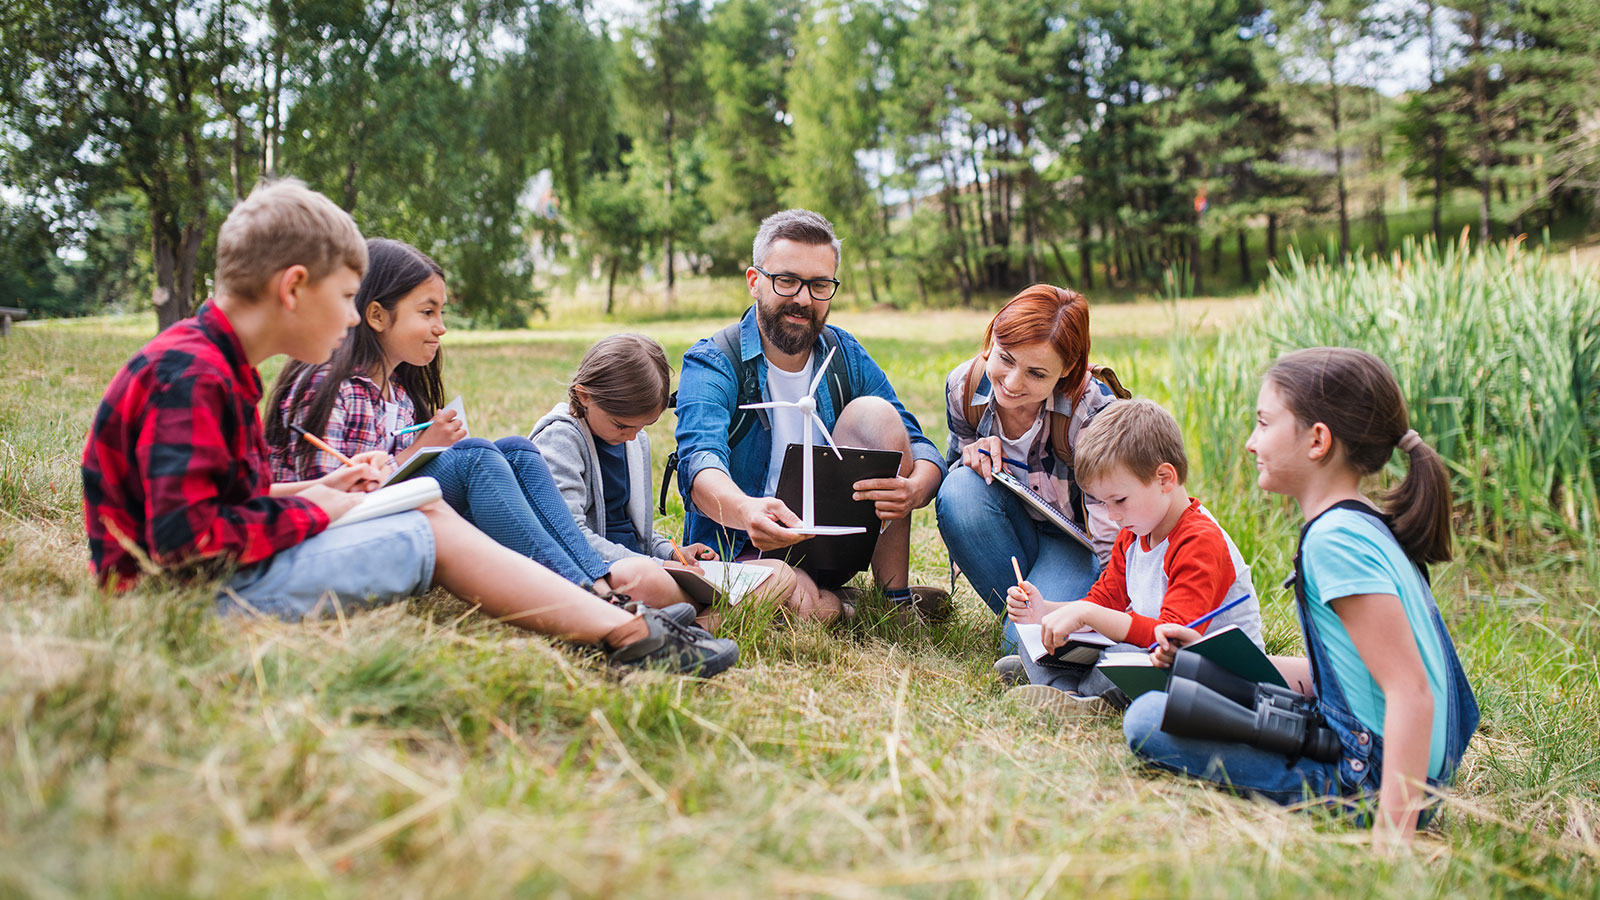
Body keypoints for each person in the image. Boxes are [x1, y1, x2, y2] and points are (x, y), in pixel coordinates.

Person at [81, 179, 735, 676]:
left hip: (208, 581)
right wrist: (324, 508)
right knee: (425, 524)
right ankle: (622, 632)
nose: (350, 318)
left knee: (425, 505)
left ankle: (615, 620)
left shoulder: (212, 366)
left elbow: (227, 504)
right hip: (184, 602)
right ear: (293, 288)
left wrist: (321, 490)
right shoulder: (193, 376)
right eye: (344, 298)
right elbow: (187, 545)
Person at [1123, 347, 1479, 849]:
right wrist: (1217, 661)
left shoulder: (1335, 542)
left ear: (1317, 440)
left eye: (1264, 423)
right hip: (1394, 763)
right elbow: (1352, 678)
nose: (1251, 442)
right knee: (1183, 692)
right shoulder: (1360, 523)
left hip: (1372, 781)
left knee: (1147, 719)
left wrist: (1391, 840)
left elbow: (1410, 691)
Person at [263, 237, 695, 616]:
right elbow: (333, 499)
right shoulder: (334, 388)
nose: (441, 327)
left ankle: (597, 582)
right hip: (333, 538)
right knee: (474, 459)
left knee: (516, 449)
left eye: (441, 312)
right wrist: (421, 450)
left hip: (392, 517)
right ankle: (591, 597)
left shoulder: (396, 393)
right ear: (377, 315)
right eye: (427, 312)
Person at [672, 208, 949, 622]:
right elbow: (699, 463)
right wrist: (747, 511)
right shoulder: (714, 360)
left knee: (877, 414)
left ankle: (893, 601)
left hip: (832, 545)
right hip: (744, 546)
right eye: (787, 280)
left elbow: (918, 443)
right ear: (755, 281)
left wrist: (914, 489)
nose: (803, 299)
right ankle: (841, 605)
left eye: (819, 285)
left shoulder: (843, 353)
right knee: (802, 603)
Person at [1004, 399, 1262, 713]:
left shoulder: (1200, 541)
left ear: (1164, 479)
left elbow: (1172, 640)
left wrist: (1087, 615)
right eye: (1103, 503)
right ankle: (1068, 689)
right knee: (1038, 634)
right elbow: (1104, 601)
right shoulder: (1136, 531)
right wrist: (1044, 610)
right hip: (1154, 654)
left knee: (1123, 656)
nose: (1112, 515)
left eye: (1120, 500)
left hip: (1209, 676)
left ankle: (1067, 689)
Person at [529, 334, 800, 620]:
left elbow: (637, 533)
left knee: (780, 575)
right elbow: (569, 538)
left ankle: (695, 626)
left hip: (649, 567)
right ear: (584, 396)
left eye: (643, 426)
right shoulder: (561, 440)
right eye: (621, 426)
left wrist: (674, 554)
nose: (632, 436)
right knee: (641, 577)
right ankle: (704, 617)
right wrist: (657, 565)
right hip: (605, 572)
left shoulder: (633, 441)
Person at [934, 284, 1123, 663]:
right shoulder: (963, 387)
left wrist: (1116, 611)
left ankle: (1029, 630)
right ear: (993, 337)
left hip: (1076, 546)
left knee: (1026, 652)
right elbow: (953, 479)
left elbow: (1115, 526)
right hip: (1009, 528)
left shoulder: (1091, 411)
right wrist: (971, 457)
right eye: (1005, 358)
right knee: (959, 488)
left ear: (1067, 369)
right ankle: (1026, 622)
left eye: (1036, 373)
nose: (1012, 382)